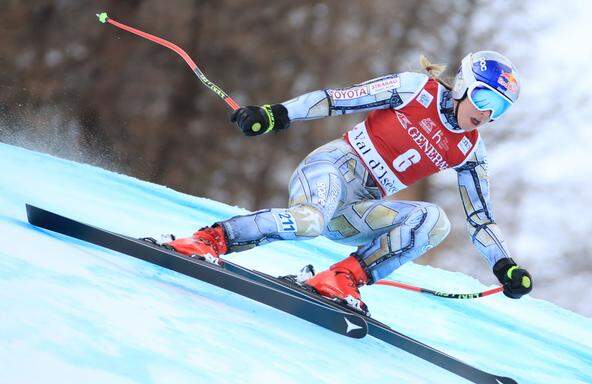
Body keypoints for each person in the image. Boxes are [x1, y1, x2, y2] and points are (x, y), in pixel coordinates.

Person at [161, 50, 532, 314]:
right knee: (309, 221)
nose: (485, 113)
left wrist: (505, 266)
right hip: (334, 168)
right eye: (484, 97)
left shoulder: (470, 150)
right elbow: (336, 100)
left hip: (356, 211)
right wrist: (276, 114)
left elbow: (480, 218)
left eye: (499, 108)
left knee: (434, 221)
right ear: (465, 85)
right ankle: (209, 240)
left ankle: (341, 278)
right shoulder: (415, 90)